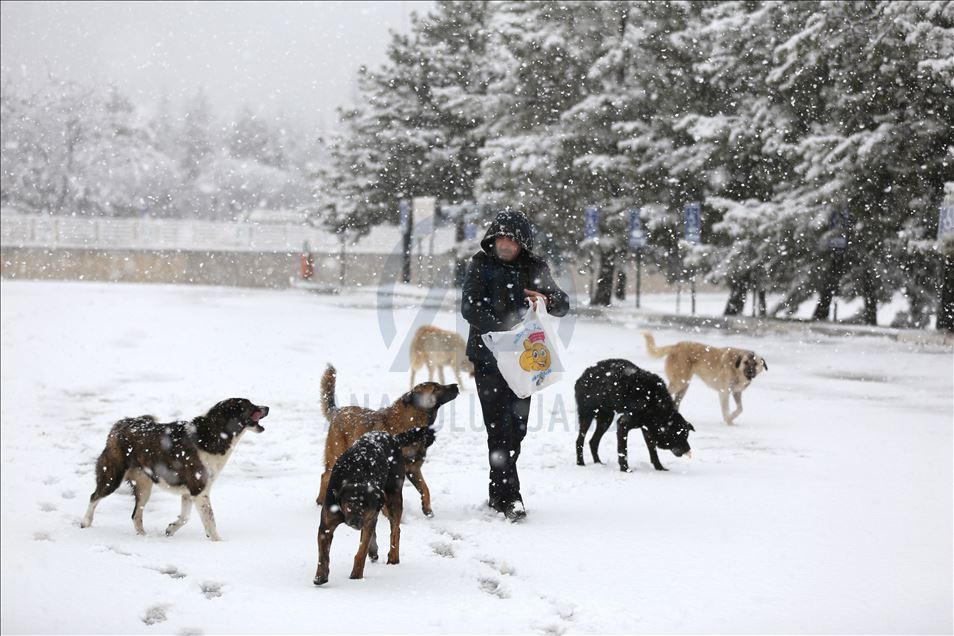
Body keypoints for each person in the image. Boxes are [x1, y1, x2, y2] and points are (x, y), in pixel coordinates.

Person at [460, 210, 569, 521]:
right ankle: (511, 497)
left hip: (523, 363)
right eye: (501, 238)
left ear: (522, 243)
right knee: (499, 428)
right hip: (488, 359)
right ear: (493, 240)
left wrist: (545, 299)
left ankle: (498, 492)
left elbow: (562, 304)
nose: (505, 244)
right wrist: (504, 331)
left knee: (517, 430)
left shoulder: (535, 267)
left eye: (512, 239)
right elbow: (470, 307)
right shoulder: (481, 264)